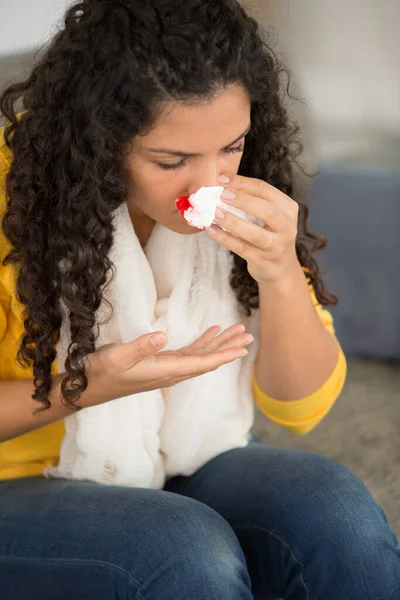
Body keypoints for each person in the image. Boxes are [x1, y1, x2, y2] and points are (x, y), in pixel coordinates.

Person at [0, 1, 398, 598]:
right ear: (97, 140)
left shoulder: (250, 192)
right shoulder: (17, 199)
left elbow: (299, 409)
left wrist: (280, 271)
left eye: (230, 147)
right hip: (20, 476)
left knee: (336, 511)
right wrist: (86, 389)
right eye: (170, 160)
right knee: (183, 550)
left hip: (187, 451)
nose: (209, 186)